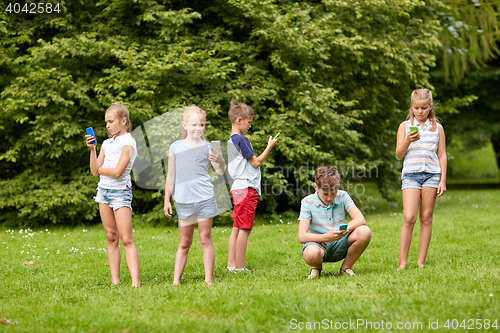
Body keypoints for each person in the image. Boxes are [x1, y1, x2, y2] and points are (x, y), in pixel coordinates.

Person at [164, 105, 225, 285]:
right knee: (184, 242)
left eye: (202, 125)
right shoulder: (175, 147)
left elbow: (220, 171)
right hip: (183, 200)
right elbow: (171, 175)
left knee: (205, 239)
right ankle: (176, 281)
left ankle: (208, 280)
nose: (198, 129)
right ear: (184, 125)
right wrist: (166, 199)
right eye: (194, 125)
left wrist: (219, 159)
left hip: (205, 198)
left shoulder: (208, 147)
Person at [86, 102, 140, 287]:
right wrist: (93, 150)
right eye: (106, 122)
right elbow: (94, 171)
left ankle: (135, 282)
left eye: (111, 121)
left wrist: (102, 169)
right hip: (103, 192)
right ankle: (115, 282)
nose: (107, 125)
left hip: (120, 193)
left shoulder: (129, 142)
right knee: (111, 237)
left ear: (123, 121)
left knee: (126, 239)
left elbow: (118, 172)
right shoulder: (107, 144)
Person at [396, 88, 447, 270]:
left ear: (430, 107)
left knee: (426, 217)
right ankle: (403, 263)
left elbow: (442, 155)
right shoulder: (404, 126)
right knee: (409, 217)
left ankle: (420, 262)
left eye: (424, 108)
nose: (420, 112)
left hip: (432, 175)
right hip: (411, 175)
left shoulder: (437, 128)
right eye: (416, 108)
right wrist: (408, 140)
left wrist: (442, 180)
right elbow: (398, 155)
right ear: (411, 107)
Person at [226, 101, 278, 272]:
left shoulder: (230, 141)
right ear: (239, 120)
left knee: (236, 227)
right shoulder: (242, 139)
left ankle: (231, 265)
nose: (250, 125)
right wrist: (269, 147)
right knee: (244, 228)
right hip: (247, 189)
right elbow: (255, 163)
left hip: (236, 188)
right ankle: (239, 267)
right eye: (249, 122)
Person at [298, 166, 371, 279]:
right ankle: (316, 268)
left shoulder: (343, 196)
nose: (330, 198)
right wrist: (326, 237)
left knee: (365, 231)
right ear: (316, 187)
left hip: (340, 241)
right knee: (311, 254)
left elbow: (360, 219)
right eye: (326, 194)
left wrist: (342, 231)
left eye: (334, 193)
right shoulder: (307, 202)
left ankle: (346, 268)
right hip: (318, 244)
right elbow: (302, 236)